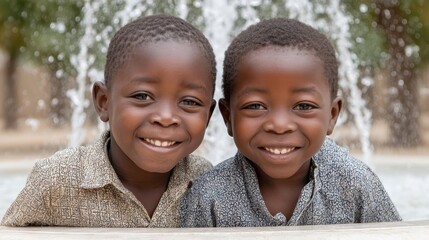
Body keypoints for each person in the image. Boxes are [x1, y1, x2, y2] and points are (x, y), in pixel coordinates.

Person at [181, 18, 401, 227]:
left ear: (332, 115)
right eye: (255, 106)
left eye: (303, 106)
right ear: (228, 117)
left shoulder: (356, 184)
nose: (279, 125)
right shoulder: (209, 195)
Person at [2, 15, 217, 227]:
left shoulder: (208, 183)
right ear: (104, 102)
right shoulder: (56, 180)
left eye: (190, 101)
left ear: (208, 114)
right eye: (142, 96)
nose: (166, 118)